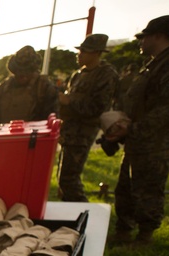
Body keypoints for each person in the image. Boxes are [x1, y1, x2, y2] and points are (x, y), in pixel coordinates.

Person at [106, 15, 169, 245]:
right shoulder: (158, 62)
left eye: (144, 37)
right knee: (126, 187)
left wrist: (134, 128)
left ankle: (145, 237)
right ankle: (123, 232)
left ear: (158, 36)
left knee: (148, 189)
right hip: (139, 137)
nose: (141, 42)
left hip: (156, 140)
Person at [58, 34, 120, 202]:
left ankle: (82, 214)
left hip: (83, 131)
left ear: (97, 53)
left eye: (84, 51)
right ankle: (69, 215)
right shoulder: (78, 75)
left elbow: (98, 108)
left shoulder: (106, 74)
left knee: (69, 180)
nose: (79, 54)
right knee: (63, 180)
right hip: (70, 130)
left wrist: (68, 101)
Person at [0, 45, 60, 123]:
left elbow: (52, 122)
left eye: (27, 73)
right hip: (4, 134)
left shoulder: (45, 88)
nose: (23, 77)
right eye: (19, 73)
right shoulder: (1, 91)